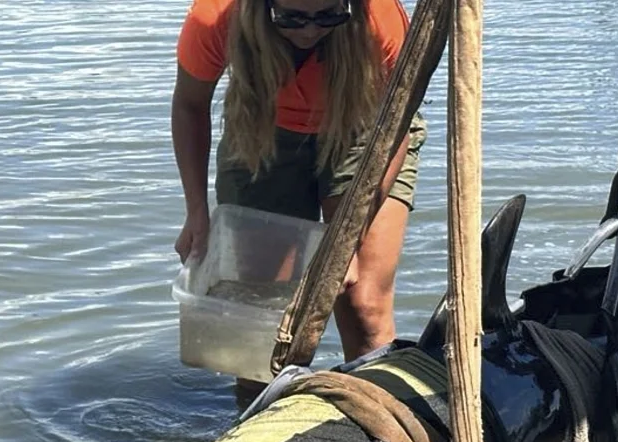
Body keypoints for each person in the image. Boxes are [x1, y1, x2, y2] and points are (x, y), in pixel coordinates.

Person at [171, 0, 427, 370]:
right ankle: (258, 412)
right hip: (262, 130)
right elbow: (190, 106)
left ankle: (370, 409)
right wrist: (196, 211)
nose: (309, 31)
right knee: (260, 319)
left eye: (328, 16)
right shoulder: (216, 15)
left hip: (366, 126)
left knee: (363, 305)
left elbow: (397, 122)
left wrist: (347, 240)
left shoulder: (380, 18)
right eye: (291, 18)